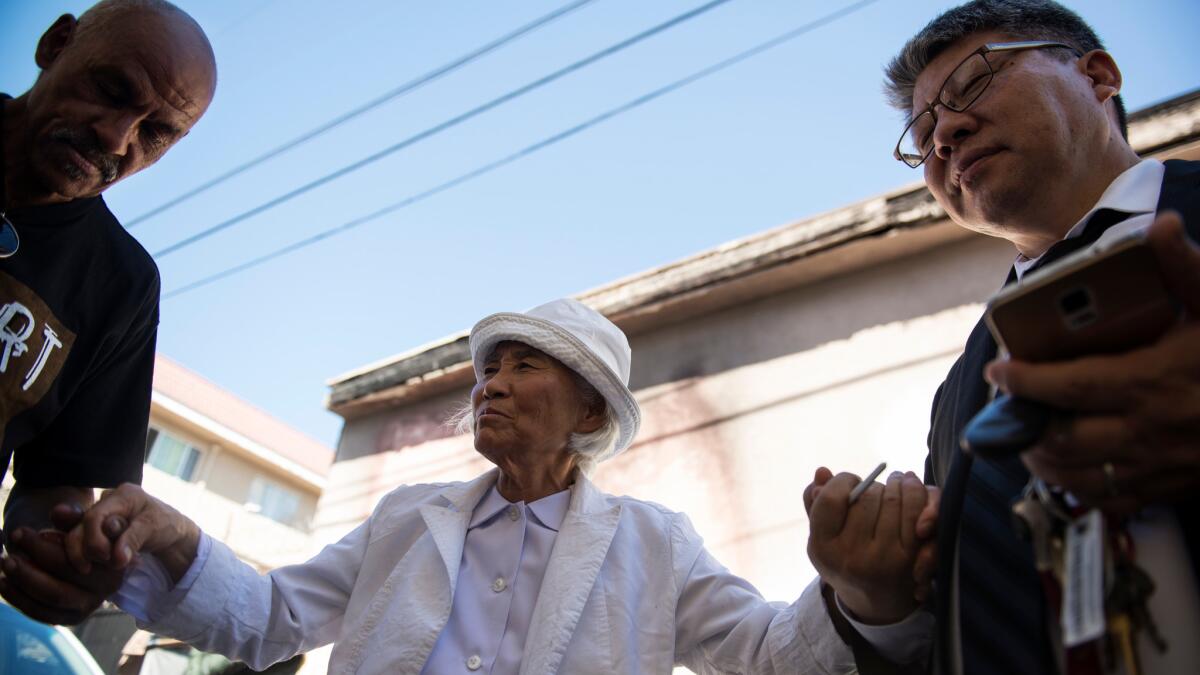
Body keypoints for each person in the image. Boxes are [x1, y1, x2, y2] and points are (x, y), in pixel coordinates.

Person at [20, 298, 911, 673]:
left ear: (591, 417)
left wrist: (857, 588)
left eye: (528, 367)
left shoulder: (654, 541)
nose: (492, 383)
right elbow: (266, 621)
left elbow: (764, 654)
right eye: (490, 369)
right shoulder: (408, 517)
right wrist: (176, 542)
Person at [808, 1, 1200, 673]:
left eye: (974, 83)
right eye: (922, 130)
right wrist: (880, 605)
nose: (943, 137)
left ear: (1098, 76)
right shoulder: (958, 393)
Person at [0, 0, 217, 625]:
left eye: (155, 134)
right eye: (112, 90)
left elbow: (57, 481)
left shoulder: (121, 284)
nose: (117, 138)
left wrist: (66, 555)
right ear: (56, 43)